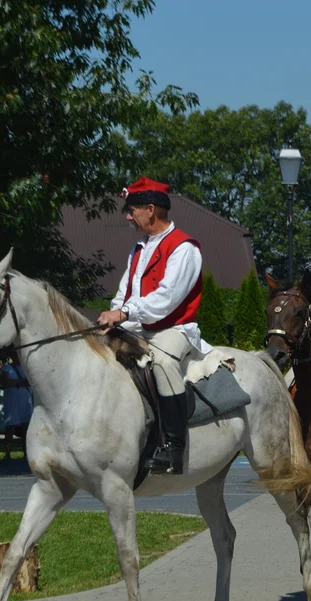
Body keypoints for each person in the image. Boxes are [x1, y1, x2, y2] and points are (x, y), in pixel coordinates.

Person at [99, 176, 212, 474]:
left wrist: (124, 313)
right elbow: (125, 291)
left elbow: (167, 299)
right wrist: (113, 313)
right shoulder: (138, 248)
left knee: (162, 363)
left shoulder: (184, 248)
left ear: (151, 209)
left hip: (174, 328)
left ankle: (174, 448)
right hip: (139, 327)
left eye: (131, 209)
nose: (127, 216)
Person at [1, 356, 33, 461]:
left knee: (26, 427)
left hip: (25, 399)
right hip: (12, 400)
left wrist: (15, 383)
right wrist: (19, 383)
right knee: (10, 426)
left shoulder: (27, 367)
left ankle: (26, 452)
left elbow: (30, 381)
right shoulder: (7, 368)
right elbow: (5, 383)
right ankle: (7, 452)